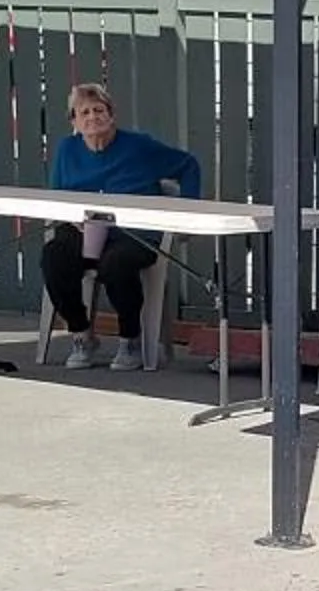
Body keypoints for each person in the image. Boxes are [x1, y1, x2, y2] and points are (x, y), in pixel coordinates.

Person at [42, 79, 201, 373]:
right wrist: (72, 217)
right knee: (54, 256)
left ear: (111, 114)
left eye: (98, 110)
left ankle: (130, 340)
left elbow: (188, 165)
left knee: (116, 263)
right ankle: (81, 335)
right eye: (84, 112)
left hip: (134, 232)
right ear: (74, 121)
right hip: (85, 230)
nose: (92, 117)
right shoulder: (68, 149)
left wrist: (187, 215)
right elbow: (57, 197)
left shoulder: (139, 146)